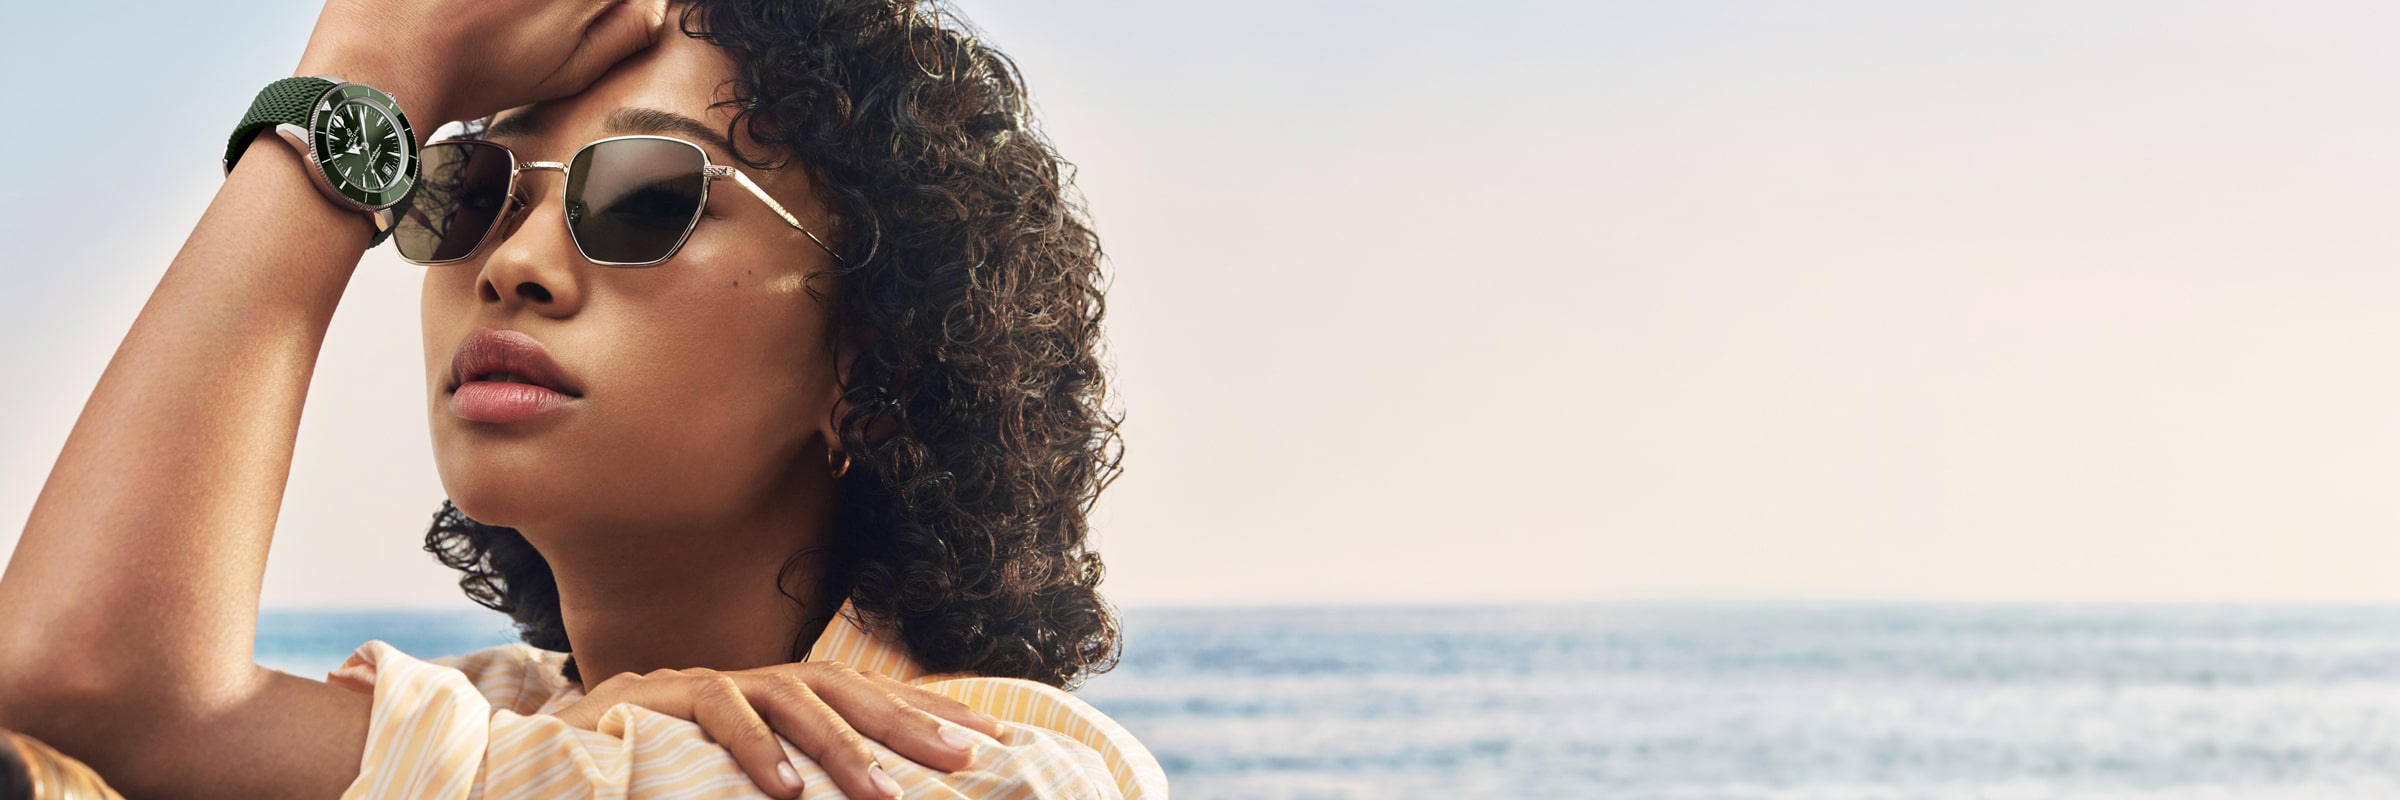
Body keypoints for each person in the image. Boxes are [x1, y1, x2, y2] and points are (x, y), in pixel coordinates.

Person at [0, 0, 1164, 797]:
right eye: (468, 187)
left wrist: (362, 68)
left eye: (649, 194)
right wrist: (592, 727)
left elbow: (94, 674)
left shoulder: (988, 766)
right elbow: (71, 694)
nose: (514, 262)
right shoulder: (492, 707)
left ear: (872, 364)